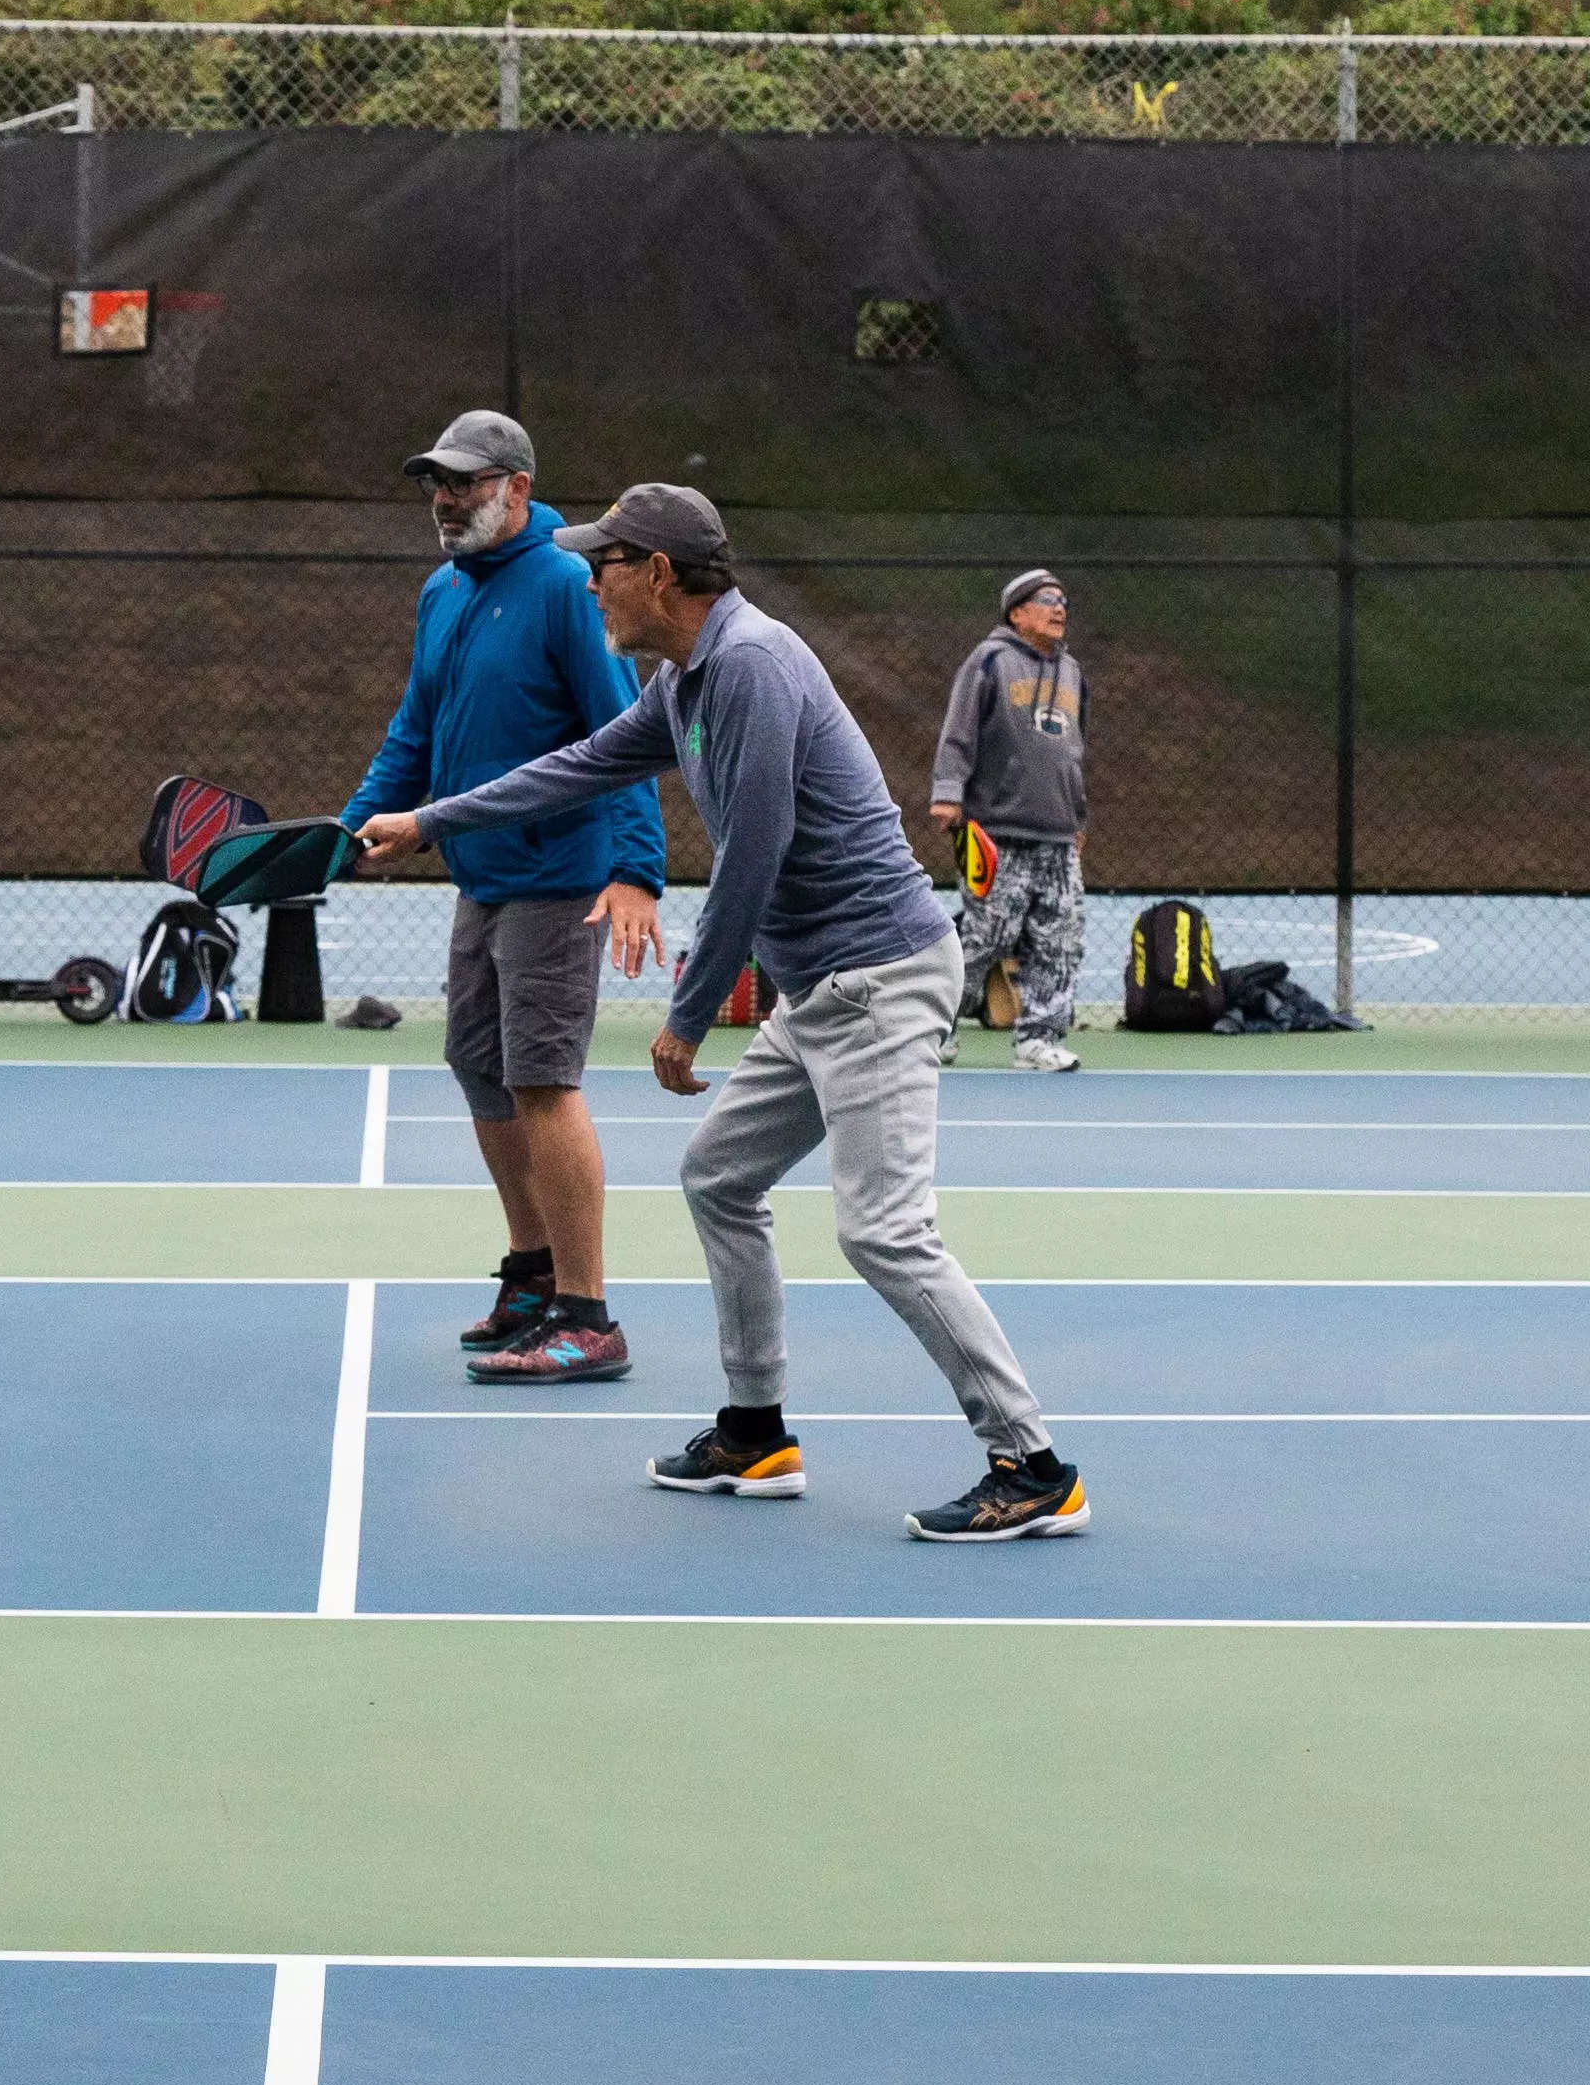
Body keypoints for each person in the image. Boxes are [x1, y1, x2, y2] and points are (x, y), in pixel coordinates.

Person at [362, 485, 1088, 1544]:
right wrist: (427, 819)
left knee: (885, 1231)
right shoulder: (687, 676)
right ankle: (756, 1431)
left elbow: (756, 848)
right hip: (828, 985)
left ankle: (1032, 1462)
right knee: (718, 1175)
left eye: (603, 561)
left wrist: (689, 1014)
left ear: (656, 572)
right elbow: (580, 765)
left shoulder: (749, 664)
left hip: (879, 980)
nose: (588, 577)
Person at [339, 412, 668, 1383]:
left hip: (561, 880)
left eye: (466, 482)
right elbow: (415, 728)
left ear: (517, 488)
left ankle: (587, 1313)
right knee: (479, 1066)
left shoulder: (570, 586)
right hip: (478, 874)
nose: (445, 498)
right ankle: (531, 1274)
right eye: (436, 482)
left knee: (543, 1082)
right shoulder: (441, 590)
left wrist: (637, 869)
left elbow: (629, 733)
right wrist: (346, 829)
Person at [929, 569, 1090, 1073]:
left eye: (1063, 600)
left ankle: (1038, 1039)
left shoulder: (1073, 673)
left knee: (1059, 938)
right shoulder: (990, 661)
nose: (1058, 608)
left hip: (1058, 835)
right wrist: (948, 794)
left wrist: (1078, 816)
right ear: (1016, 612)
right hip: (996, 831)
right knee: (988, 934)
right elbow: (959, 731)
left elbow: (1074, 751)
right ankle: (933, 1029)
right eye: (1046, 600)